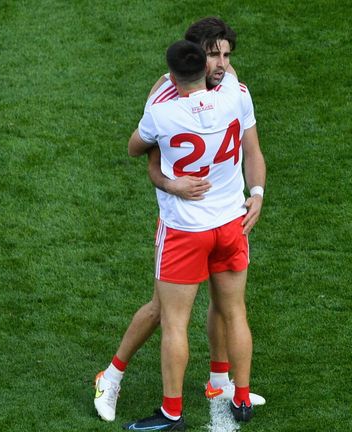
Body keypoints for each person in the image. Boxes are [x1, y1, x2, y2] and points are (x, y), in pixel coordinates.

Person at [93, 17, 266, 422]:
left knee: (197, 314)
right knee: (184, 311)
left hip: (197, 227)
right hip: (221, 224)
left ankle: (199, 394)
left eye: (226, 55)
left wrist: (253, 192)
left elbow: (141, 152)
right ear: (196, 59)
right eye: (212, 55)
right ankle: (113, 376)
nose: (222, 63)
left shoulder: (164, 107)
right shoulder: (235, 95)